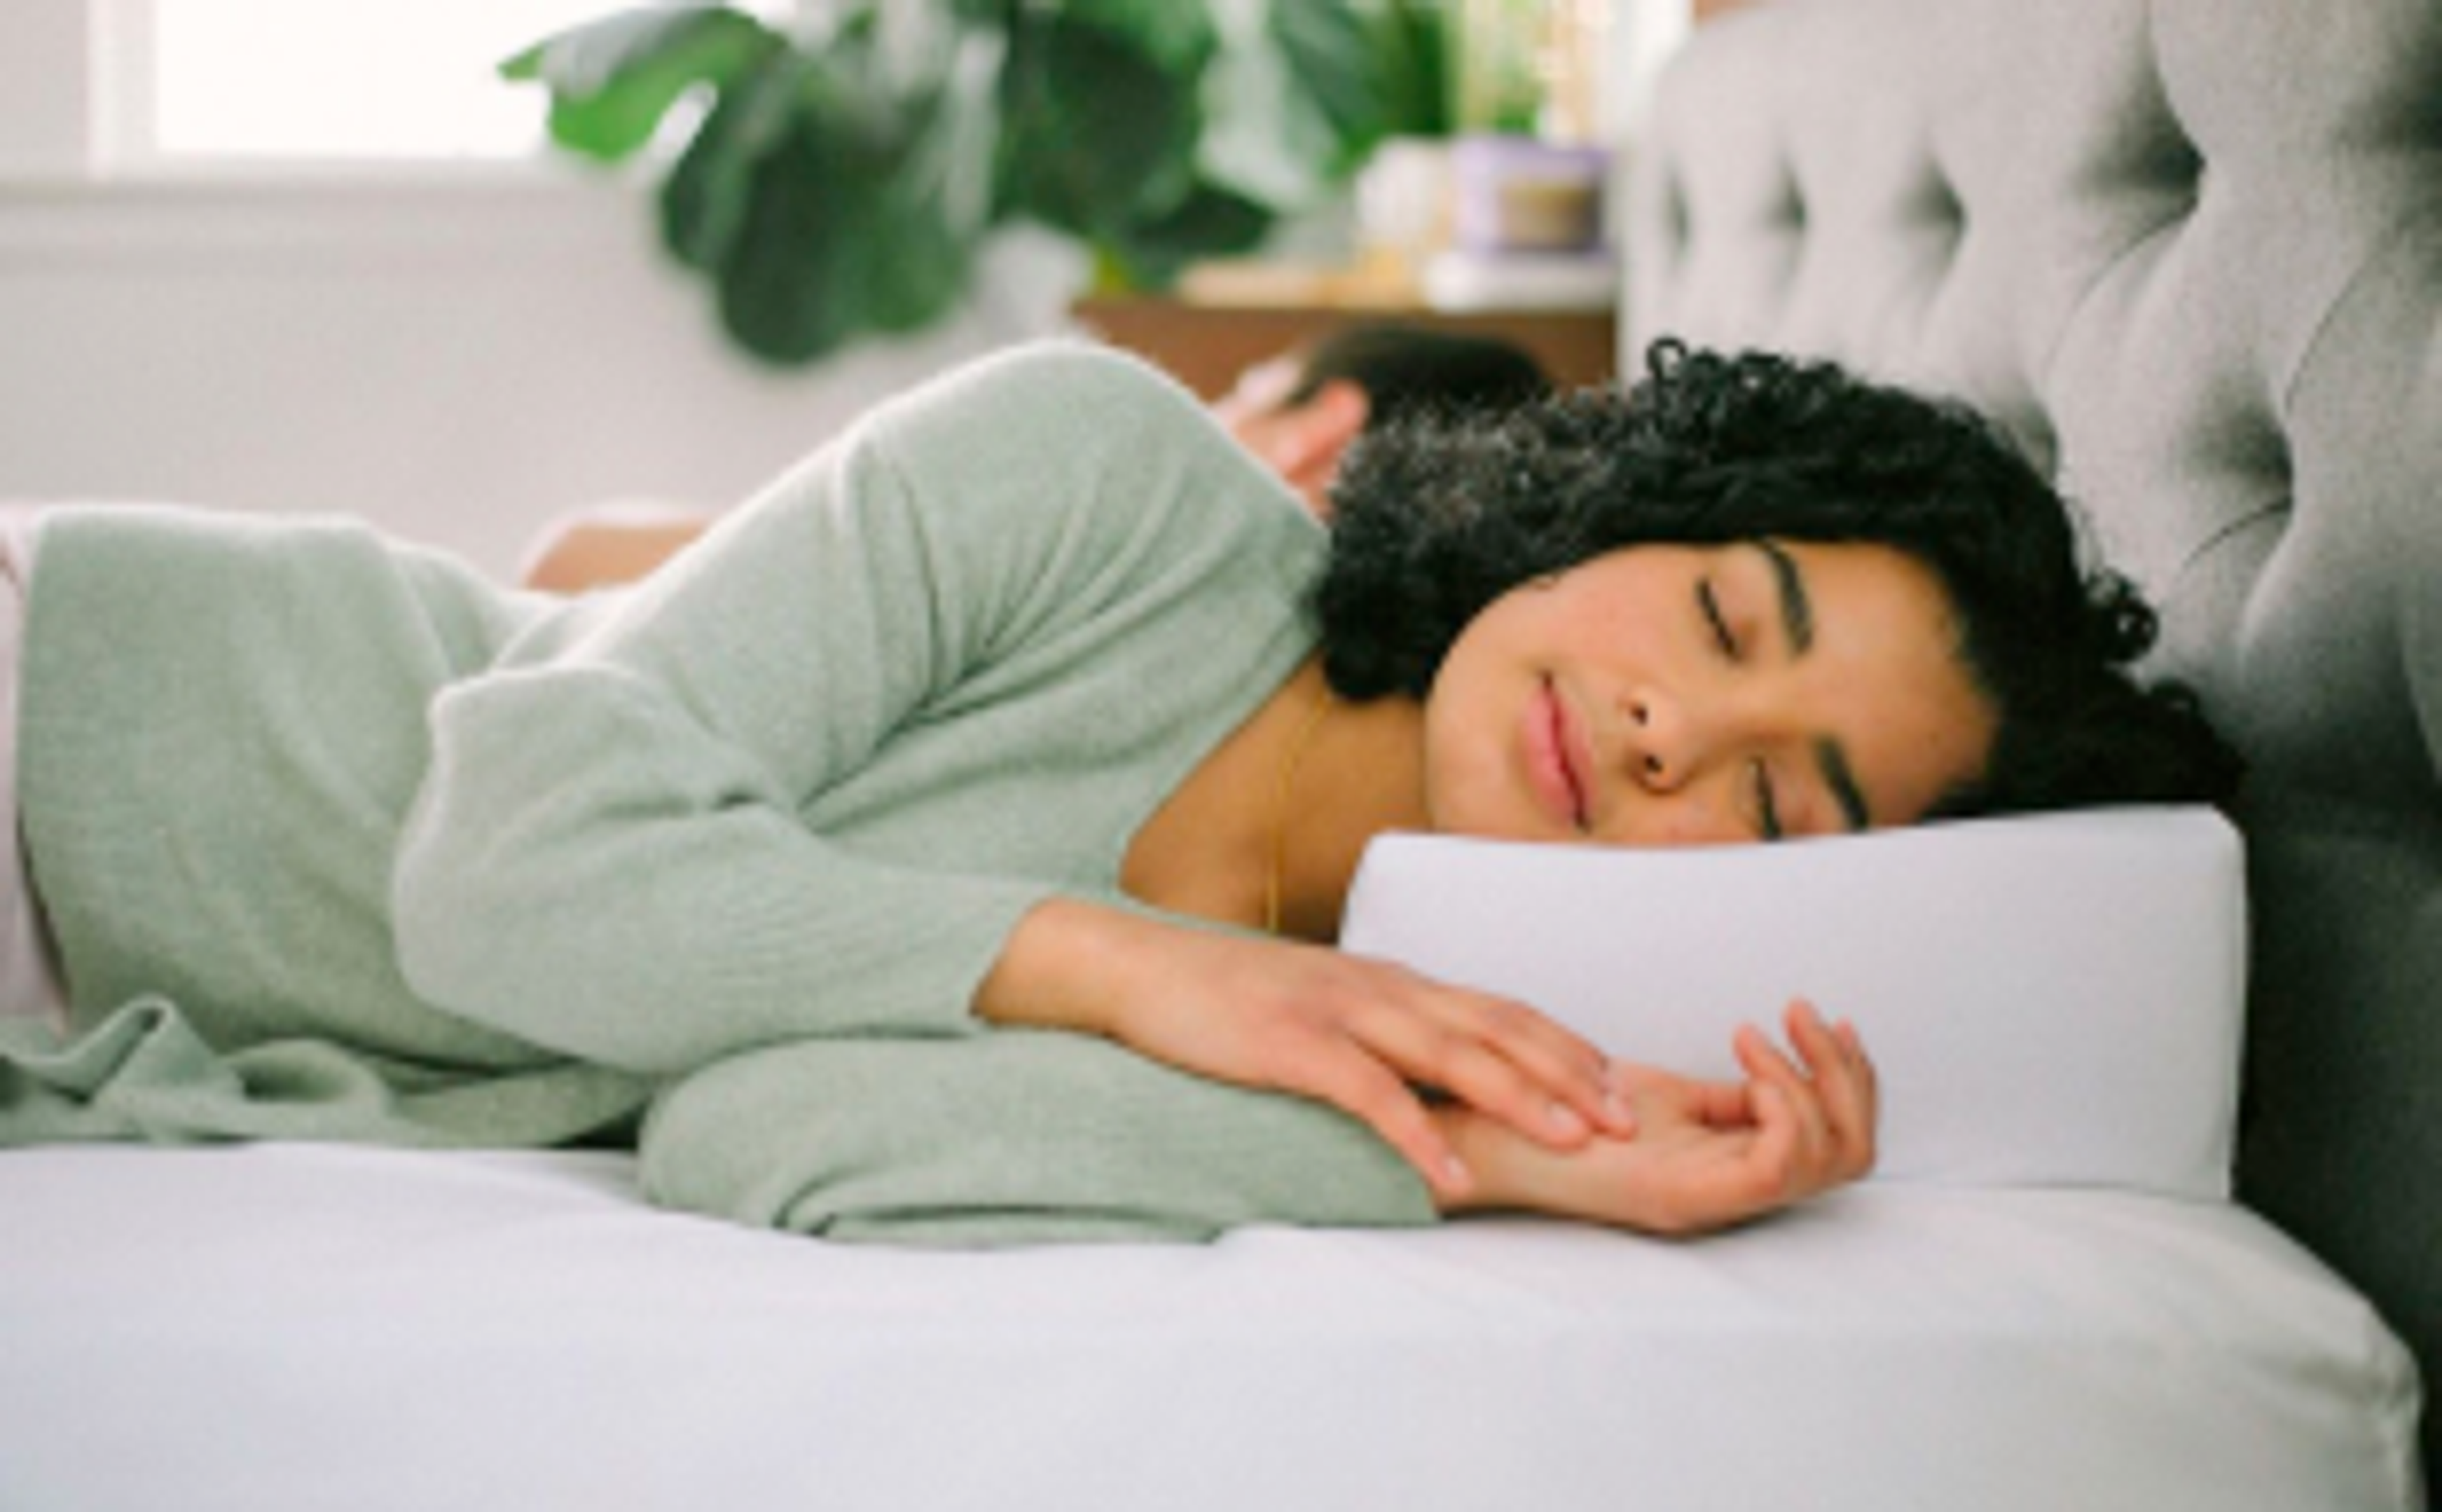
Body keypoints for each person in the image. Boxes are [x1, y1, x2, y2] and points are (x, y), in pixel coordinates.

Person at [0, 339, 2239, 1246]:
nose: (1674, 728)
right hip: (86, 713)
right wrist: (1120, 963)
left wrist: (1483, 1150)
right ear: (1625, 513)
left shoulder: (1369, 1036)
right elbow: (507, 863)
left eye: (1776, 809)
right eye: (1726, 617)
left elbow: (758, 1139)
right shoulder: (1100, 474)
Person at [518, 322, 1553, 592]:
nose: (1216, 404)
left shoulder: (1095, 469)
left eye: (1246, 386)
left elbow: (567, 564)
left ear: (1315, 425)